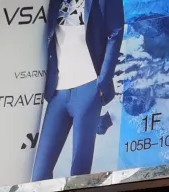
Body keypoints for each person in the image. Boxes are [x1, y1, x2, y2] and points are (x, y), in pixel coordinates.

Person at [31, 0, 126, 182]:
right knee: (39, 175)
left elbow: (116, 32)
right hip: (58, 92)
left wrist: (103, 81)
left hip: (89, 87)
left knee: (79, 173)